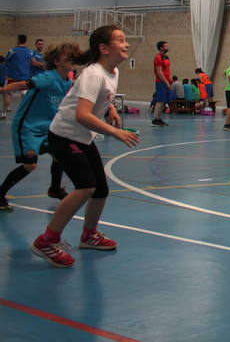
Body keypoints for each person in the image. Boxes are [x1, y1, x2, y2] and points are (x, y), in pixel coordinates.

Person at [30, 26, 140, 268]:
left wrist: (110, 109)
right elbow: (81, 114)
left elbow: (102, 97)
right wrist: (115, 132)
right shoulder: (94, 74)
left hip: (83, 138)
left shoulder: (112, 72)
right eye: (120, 40)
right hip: (65, 136)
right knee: (86, 187)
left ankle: (88, 235)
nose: (126, 44)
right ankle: (46, 241)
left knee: (100, 189)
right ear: (103, 48)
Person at [0, 43, 79, 211]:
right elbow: (23, 84)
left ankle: (55, 189)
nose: (73, 59)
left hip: (47, 129)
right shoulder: (48, 77)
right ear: (57, 61)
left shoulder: (68, 81)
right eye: (68, 56)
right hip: (28, 127)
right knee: (30, 165)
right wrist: (4, 89)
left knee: (60, 156)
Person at [4, 34, 32, 119]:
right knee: (24, 97)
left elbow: (6, 60)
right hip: (24, 78)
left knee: (7, 93)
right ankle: (24, 114)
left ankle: (4, 113)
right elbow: (30, 61)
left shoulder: (12, 50)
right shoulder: (29, 52)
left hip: (12, 77)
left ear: (18, 40)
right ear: (25, 41)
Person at [152, 40, 173, 127]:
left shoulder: (166, 57)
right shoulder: (158, 57)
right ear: (161, 48)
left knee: (164, 101)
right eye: (165, 46)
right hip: (161, 82)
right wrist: (166, 82)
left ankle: (159, 118)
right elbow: (159, 72)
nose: (167, 47)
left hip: (166, 81)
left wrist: (170, 80)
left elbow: (167, 70)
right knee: (160, 100)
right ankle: (155, 119)